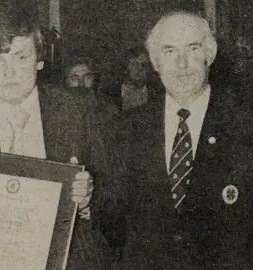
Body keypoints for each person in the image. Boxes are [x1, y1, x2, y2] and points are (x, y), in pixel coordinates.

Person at [0, 9, 112, 269]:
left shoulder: (79, 110)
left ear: (39, 61)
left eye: (20, 57)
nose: (9, 72)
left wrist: (88, 201)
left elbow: (116, 196)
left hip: (71, 258)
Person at [99, 11, 253, 268]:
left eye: (192, 48)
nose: (182, 64)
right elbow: (113, 223)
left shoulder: (244, 125)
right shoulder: (125, 129)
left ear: (210, 54)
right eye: (170, 51)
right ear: (155, 62)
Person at [63, 55, 119, 125]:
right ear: (66, 81)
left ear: (93, 79)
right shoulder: (60, 110)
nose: (81, 83)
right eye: (75, 77)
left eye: (87, 77)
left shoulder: (108, 108)